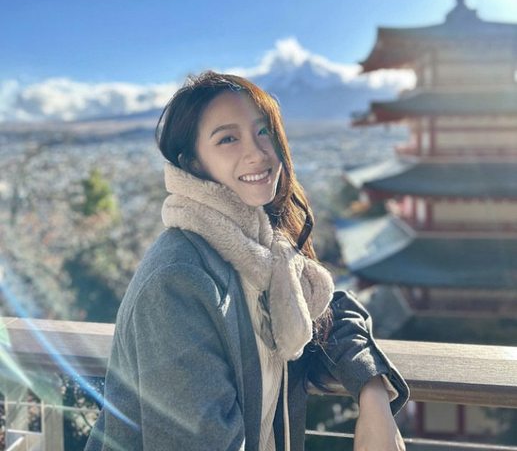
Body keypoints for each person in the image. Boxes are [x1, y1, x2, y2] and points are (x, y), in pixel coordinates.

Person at [85, 71, 409, 451]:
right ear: (193, 162)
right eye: (228, 138)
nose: (258, 153)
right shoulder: (178, 279)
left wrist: (373, 392)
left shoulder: (268, 255)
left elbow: (330, 314)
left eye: (263, 131)